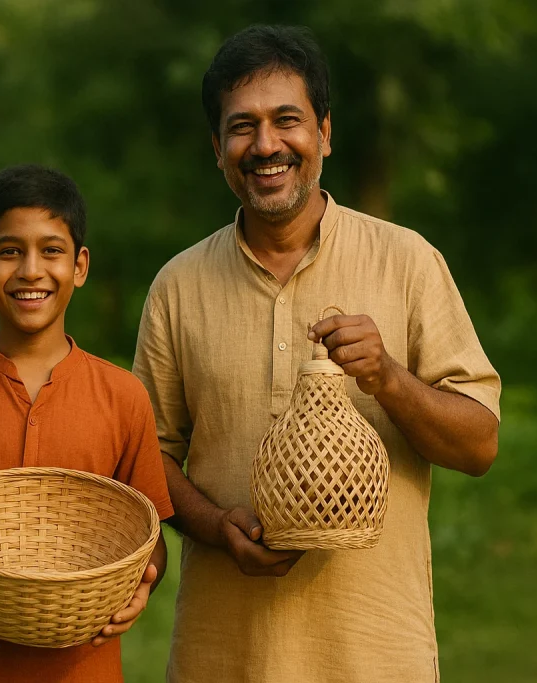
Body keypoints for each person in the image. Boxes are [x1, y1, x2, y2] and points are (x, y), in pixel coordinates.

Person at [132, 25, 502, 683]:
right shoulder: (178, 285)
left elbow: (479, 446)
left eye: (288, 120)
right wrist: (217, 526)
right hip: (224, 656)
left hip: (376, 653)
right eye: (242, 127)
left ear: (325, 133)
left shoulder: (408, 261)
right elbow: (145, 456)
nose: (266, 144)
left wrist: (388, 377)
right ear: (217, 149)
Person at [0, 164, 174, 683]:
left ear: (80, 265)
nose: (30, 270)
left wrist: (142, 585)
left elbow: (148, 535)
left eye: (51, 250)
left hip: (83, 667)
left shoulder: (122, 396)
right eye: (9, 251)